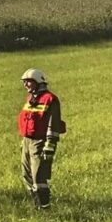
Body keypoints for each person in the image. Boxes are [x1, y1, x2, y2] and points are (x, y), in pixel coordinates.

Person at [18, 68, 66, 210]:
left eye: (28, 82)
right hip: (28, 141)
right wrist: (24, 141)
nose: (25, 85)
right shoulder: (31, 99)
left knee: (38, 176)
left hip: (40, 142)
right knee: (26, 174)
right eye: (24, 82)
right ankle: (36, 204)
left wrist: (49, 146)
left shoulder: (50, 100)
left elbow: (53, 124)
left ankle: (45, 208)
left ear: (37, 82)